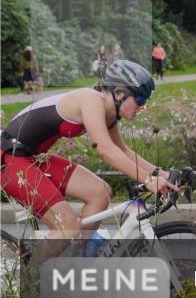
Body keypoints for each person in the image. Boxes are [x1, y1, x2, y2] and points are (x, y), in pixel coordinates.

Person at [1, 60, 178, 250]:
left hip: (32, 157)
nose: (143, 106)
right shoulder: (90, 99)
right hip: (9, 159)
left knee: (99, 192)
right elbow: (105, 149)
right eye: (140, 100)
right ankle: (33, 277)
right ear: (119, 93)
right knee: (67, 227)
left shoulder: (110, 115)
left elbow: (124, 151)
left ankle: (76, 259)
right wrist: (149, 180)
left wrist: (161, 174)